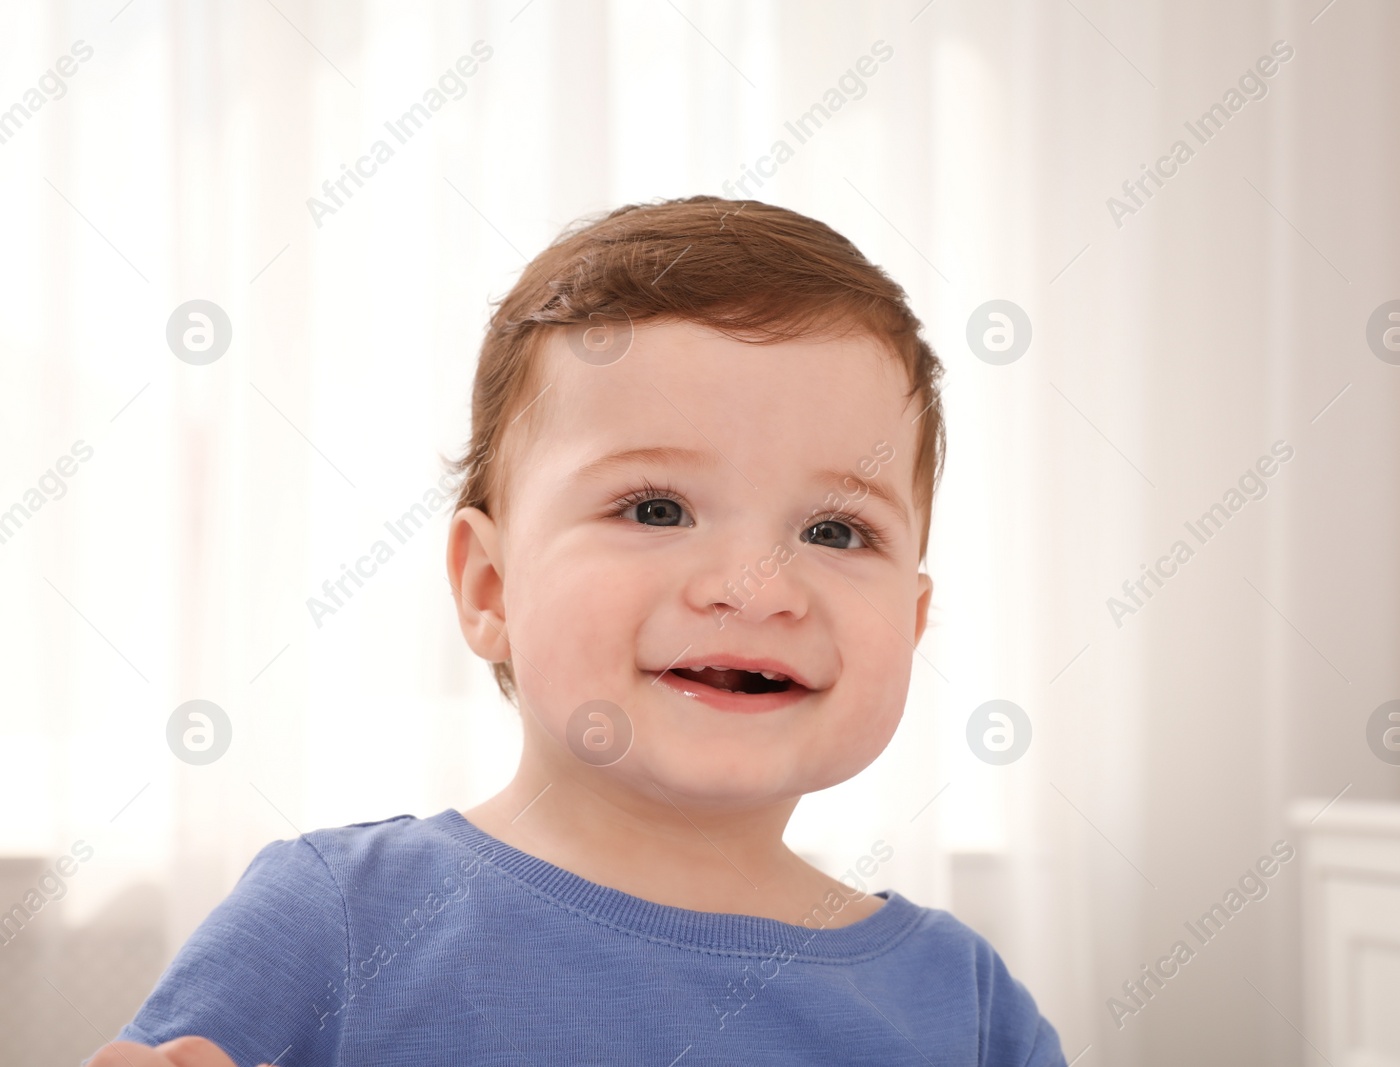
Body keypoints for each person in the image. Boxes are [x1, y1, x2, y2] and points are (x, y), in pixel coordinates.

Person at [88, 195, 1069, 1066]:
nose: (755, 587)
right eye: (653, 508)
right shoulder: (333, 921)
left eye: (833, 529)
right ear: (490, 586)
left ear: (913, 618)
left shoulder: (968, 1008)